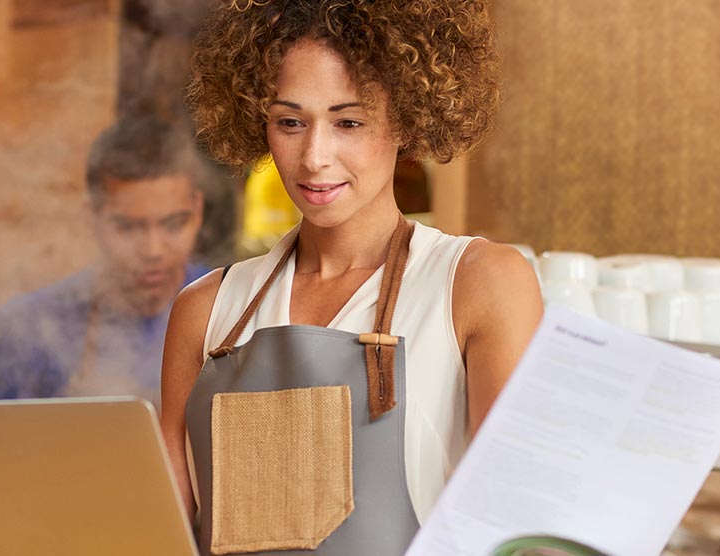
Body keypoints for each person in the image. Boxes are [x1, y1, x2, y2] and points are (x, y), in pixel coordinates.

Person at [162, 1, 542, 554]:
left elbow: (510, 530)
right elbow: (165, 534)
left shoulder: (478, 285)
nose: (315, 157)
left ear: (407, 118)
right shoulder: (205, 311)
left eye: (349, 122)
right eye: (290, 122)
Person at [0, 117, 209, 408]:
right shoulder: (27, 329)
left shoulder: (233, 314)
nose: (153, 250)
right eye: (127, 227)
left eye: (173, 224)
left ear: (197, 212)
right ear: (91, 217)